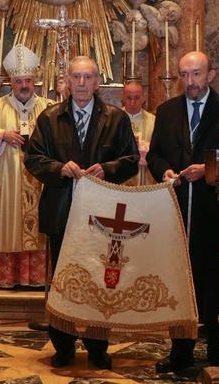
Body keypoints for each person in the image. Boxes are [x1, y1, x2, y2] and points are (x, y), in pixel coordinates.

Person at [24, 55, 138, 370]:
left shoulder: (116, 118)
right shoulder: (49, 118)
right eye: (76, 77)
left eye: (88, 77)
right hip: (62, 212)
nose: (82, 83)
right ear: (67, 81)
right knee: (63, 281)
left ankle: (98, 347)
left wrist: (109, 168)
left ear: (98, 82)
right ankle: (62, 345)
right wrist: (60, 168)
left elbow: (130, 158)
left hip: (103, 216)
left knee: (101, 280)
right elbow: (32, 158)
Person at [146, 51, 219, 376]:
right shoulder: (166, 111)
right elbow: (156, 155)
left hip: (214, 213)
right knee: (178, 283)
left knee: (215, 284)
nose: (190, 82)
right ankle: (180, 352)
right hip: (176, 212)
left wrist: (207, 169)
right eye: (184, 75)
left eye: (196, 74)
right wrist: (164, 171)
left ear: (210, 75)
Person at [0, 45, 54, 288]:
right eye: (19, 81)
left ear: (34, 81)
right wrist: (2, 135)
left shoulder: (48, 108)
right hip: (7, 181)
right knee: (7, 226)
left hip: (39, 181)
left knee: (41, 225)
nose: (24, 85)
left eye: (28, 80)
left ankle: (37, 277)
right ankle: (6, 277)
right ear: (12, 82)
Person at [120, 81, 155, 186]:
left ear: (144, 98)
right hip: (121, 179)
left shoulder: (154, 121)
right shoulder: (113, 120)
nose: (132, 102)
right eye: (129, 98)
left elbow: (159, 152)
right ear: (122, 97)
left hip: (145, 178)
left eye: (136, 98)